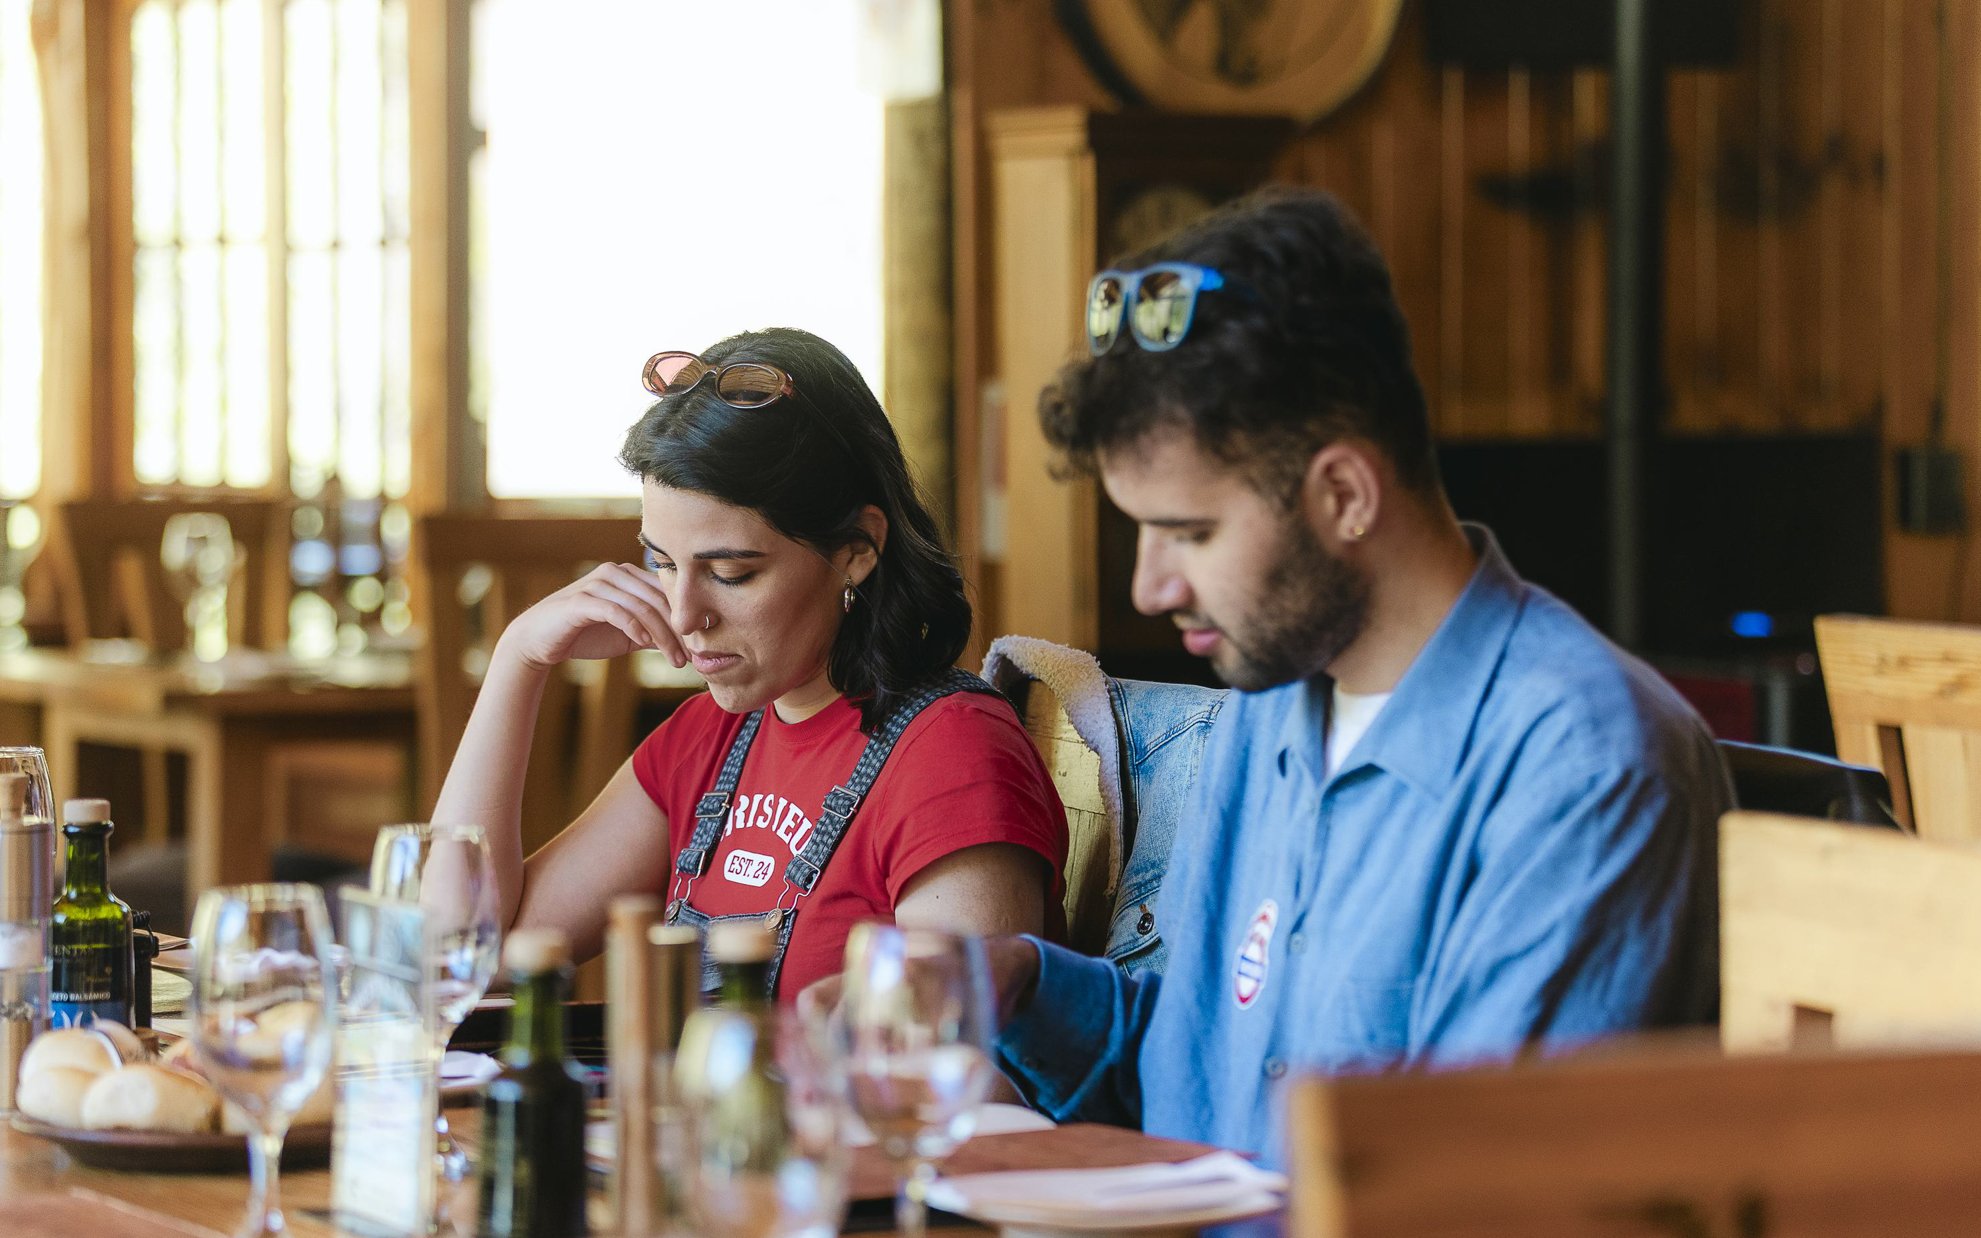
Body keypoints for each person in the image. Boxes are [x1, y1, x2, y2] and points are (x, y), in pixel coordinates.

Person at [982, 189, 1729, 1161]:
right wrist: (1016, 986)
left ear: (1342, 493)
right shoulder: (1270, 703)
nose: (1150, 583)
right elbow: (1196, 1086)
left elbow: (1470, 1196)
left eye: (1190, 531)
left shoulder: (1584, 770)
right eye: (1141, 527)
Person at [431, 327, 1067, 1001]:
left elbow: (935, 1072)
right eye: (662, 563)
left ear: (857, 547)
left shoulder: (951, 757)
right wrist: (520, 657)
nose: (683, 615)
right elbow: (465, 955)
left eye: (730, 572)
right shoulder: (707, 738)